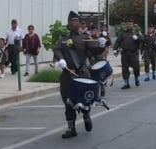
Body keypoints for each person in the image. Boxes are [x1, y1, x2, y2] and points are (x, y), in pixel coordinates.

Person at [53, 10, 105, 138]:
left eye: (76, 20)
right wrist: (60, 59)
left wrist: (102, 45)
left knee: (84, 98)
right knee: (68, 100)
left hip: (82, 73)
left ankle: (86, 116)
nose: (73, 22)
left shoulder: (85, 38)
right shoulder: (63, 40)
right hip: (68, 74)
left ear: (79, 23)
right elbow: (57, 50)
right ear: (68, 24)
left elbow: (94, 49)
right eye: (71, 21)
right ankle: (71, 128)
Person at [113, 19, 142, 89]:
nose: (129, 25)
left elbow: (142, 38)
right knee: (125, 68)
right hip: (125, 53)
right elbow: (117, 41)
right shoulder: (123, 33)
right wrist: (115, 49)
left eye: (130, 24)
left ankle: (136, 78)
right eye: (128, 24)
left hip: (134, 53)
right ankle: (126, 83)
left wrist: (137, 38)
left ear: (133, 25)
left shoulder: (136, 32)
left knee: (136, 67)